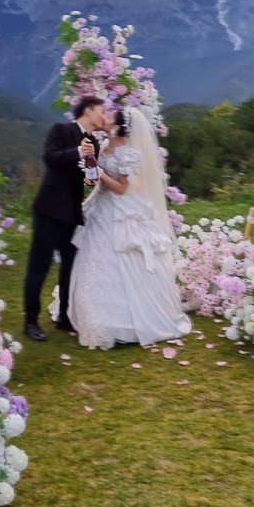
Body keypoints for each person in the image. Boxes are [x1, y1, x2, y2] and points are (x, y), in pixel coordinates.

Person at [68, 106, 192, 348]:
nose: (106, 117)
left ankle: (128, 323)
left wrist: (99, 172)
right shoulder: (105, 144)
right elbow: (95, 176)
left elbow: (123, 188)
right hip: (101, 207)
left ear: (119, 126)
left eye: (111, 116)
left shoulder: (129, 153)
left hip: (121, 210)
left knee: (123, 257)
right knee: (94, 259)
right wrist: (90, 171)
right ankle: (94, 316)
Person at [23, 96, 105, 341]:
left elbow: (89, 180)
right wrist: (78, 151)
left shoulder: (94, 143)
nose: (104, 116)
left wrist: (90, 161)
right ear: (88, 112)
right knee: (39, 266)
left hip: (71, 213)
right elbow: (50, 158)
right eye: (102, 111)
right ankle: (31, 321)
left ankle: (64, 316)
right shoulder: (61, 129)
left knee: (70, 267)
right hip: (48, 210)